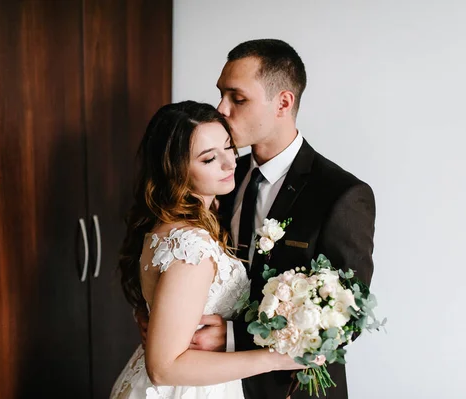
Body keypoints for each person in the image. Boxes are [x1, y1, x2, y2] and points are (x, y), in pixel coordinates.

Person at [135, 39, 376, 399]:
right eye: (220, 95)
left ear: (283, 103)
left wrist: (233, 337)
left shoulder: (341, 194)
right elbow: (171, 254)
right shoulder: (217, 174)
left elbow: (343, 321)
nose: (221, 108)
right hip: (204, 382)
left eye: (238, 98)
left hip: (289, 388)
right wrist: (157, 316)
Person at [110, 101, 323, 399]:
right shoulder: (190, 246)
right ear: (175, 169)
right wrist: (277, 357)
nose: (230, 163)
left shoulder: (176, 222)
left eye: (228, 148)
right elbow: (163, 368)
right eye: (209, 159)